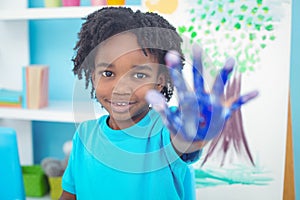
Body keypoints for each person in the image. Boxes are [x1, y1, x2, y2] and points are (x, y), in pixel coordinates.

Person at [60, 6, 257, 200]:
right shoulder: (84, 135)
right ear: (93, 76)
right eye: (108, 73)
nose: (121, 88)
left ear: (160, 82)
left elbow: (183, 143)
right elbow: (70, 194)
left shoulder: (165, 130)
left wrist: (193, 133)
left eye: (139, 75)